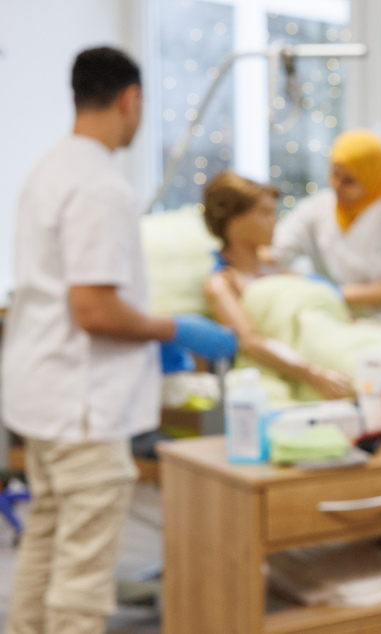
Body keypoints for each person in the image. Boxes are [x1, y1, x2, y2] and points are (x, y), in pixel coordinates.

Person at [0, 47, 236, 633]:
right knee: (82, 582)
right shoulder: (101, 187)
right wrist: (174, 327)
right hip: (85, 407)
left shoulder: (47, 171)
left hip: (42, 397)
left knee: (45, 546)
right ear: (130, 100)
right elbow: (93, 308)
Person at [202, 171, 356, 400]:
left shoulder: (284, 273)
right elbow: (250, 342)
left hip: (333, 340)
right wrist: (313, 373)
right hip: (299, 364)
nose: (274, 221)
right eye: (264, 213)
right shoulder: (223, 283)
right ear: (233, 221)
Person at [270, 129, 381, 331]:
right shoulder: (316, 208)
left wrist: (330, 292)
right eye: (334, 173)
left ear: (372, 179)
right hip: (343, 321)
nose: (336, 185)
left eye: (348, 180)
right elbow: (277, 249)